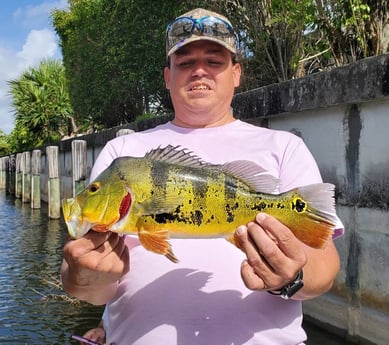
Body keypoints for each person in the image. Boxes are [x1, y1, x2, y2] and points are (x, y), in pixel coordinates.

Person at [62, 8, 343, 345]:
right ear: (167, 77)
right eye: (184, 63)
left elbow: (323, 266)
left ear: (236, 73)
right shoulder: (122, 153)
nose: (198, 70)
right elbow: (94, 287)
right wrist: (83, 277)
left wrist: (291, 277)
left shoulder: (284, 147)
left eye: (214, 61)